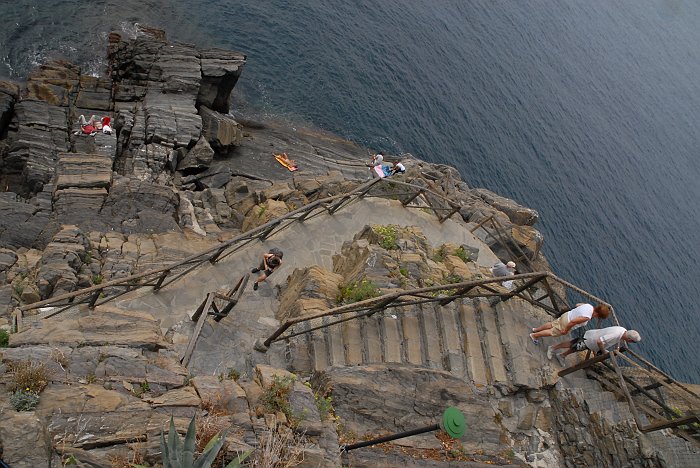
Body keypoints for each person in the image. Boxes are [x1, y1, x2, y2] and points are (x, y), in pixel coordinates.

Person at [529, 303, 611, 344]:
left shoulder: (588, 305)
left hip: (567, 314)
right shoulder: (587, 317)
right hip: (567, 322)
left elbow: (577, 304)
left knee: (551, 324)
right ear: (598, 315)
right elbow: (573, 322)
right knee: (552, 332)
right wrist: (566, 330)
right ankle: (534, 336)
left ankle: (535, 330)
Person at [547, 326, 641, 361]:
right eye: (632, 341)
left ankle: (562, 356)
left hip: (592, 336)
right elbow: (599, 341)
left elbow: (619, 339)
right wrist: (603, 351)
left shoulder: (623, 330)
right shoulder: (616, 334)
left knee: (575, 347)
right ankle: (552, 348)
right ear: (629, 339)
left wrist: (617, 348)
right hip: (590, 340)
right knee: (572, 344)